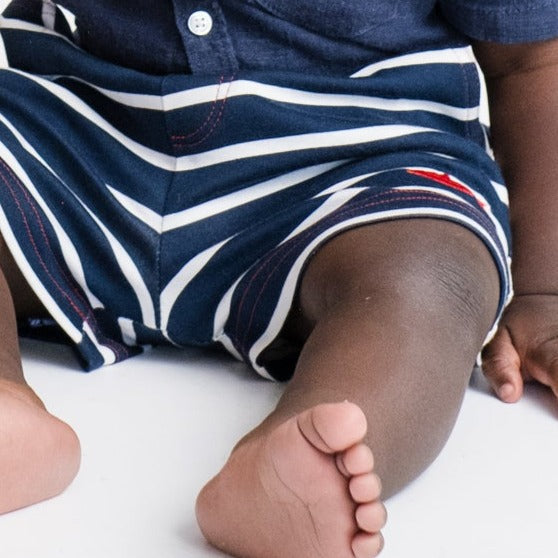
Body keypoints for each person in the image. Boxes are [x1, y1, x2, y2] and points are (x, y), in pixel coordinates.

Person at [0, 1, 556, 556]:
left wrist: (541, 289)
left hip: (360, 153)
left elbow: (531, 63)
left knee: (429, 277)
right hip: (83, 131)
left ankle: (308, 462)